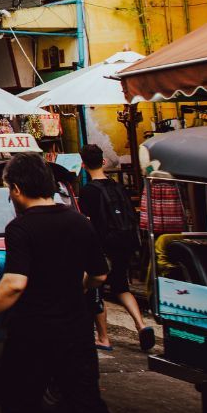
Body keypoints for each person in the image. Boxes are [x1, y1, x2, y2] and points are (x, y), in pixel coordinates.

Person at [0, 154, 137, 413]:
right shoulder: (79, 222)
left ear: (15, 190)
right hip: (76, 331)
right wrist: (75, 286)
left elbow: (15, 283)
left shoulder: (21, 228)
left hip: (32, 334)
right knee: (91, 408)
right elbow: (99, 275)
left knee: (19, 407)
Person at [78, 144, 154, 353]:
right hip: (124, 244)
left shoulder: (87, 192)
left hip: (102, 247)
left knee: (95, 291)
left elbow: (87, 222)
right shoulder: (118, 187)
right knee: (121, 287)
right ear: (103, 161)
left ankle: (103, 338)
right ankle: (141, 325)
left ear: (83, 165)